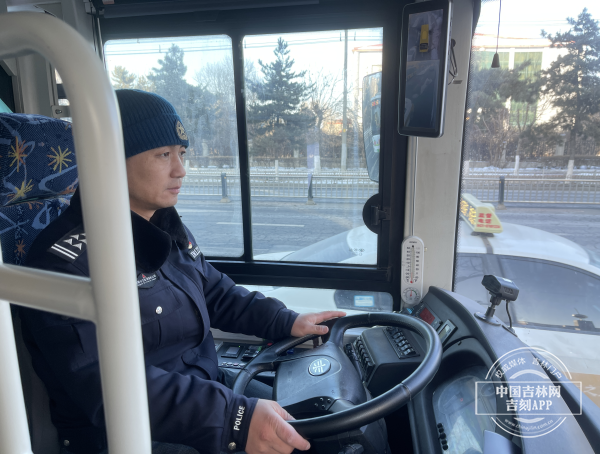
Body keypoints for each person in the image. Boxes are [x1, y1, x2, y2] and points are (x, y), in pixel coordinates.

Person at [20, 89, 345, 454]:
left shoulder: (163, 225)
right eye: (163, 154)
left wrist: (286, 321)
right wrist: (234, 418)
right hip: (136, 433)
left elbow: (215, 292)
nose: (180, 170)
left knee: (328, 429)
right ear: (108, 158)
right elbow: (104, 384)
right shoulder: (64, 264)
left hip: (208, 393)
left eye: (182, 153)